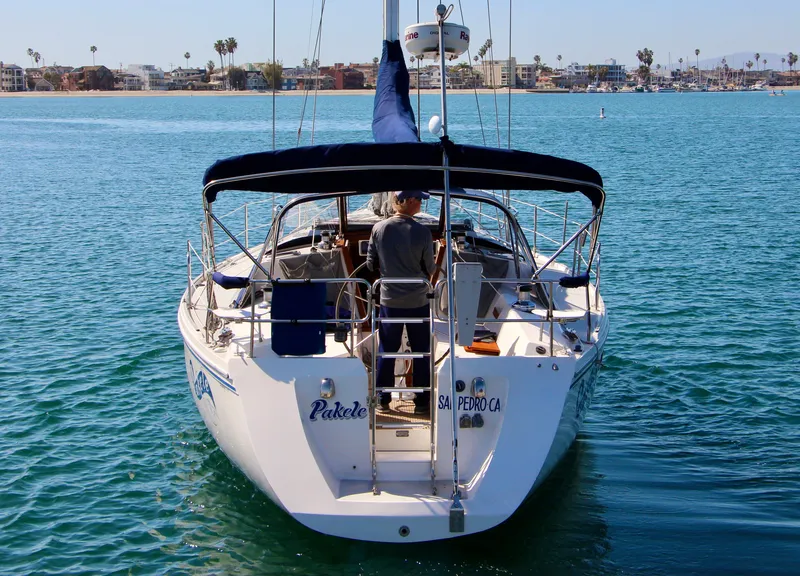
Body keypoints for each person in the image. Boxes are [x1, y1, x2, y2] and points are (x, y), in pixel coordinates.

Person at [366, 190, 435, 414]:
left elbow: (369, 264)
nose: (421, 204)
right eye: (419, 200)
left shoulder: (378, 228)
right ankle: (422, 403)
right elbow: (431, 268)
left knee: (387, 349)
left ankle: (383, 400)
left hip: (389, 300)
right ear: (409, 202)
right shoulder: (423, 232)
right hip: (417, 301)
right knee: (420, 350)